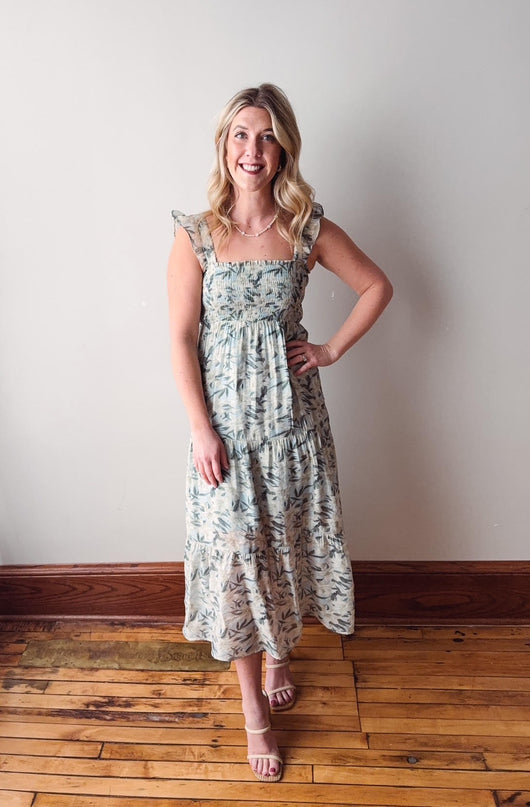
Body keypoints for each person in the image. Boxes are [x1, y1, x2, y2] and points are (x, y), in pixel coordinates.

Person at [167, 83, 393, 783]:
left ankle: (279, 652)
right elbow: (179, 338)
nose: (251, 150)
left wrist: (328, 350)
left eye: (264, 136)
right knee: (236, 560)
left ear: (283, 146)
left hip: (293, 426)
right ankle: (253, 712)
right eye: (239, 134)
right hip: (225, 438)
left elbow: (376, 286)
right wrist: (202, 430)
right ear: (223, 146)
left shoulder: (306, 229)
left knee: (285, 546)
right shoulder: (196, 232)